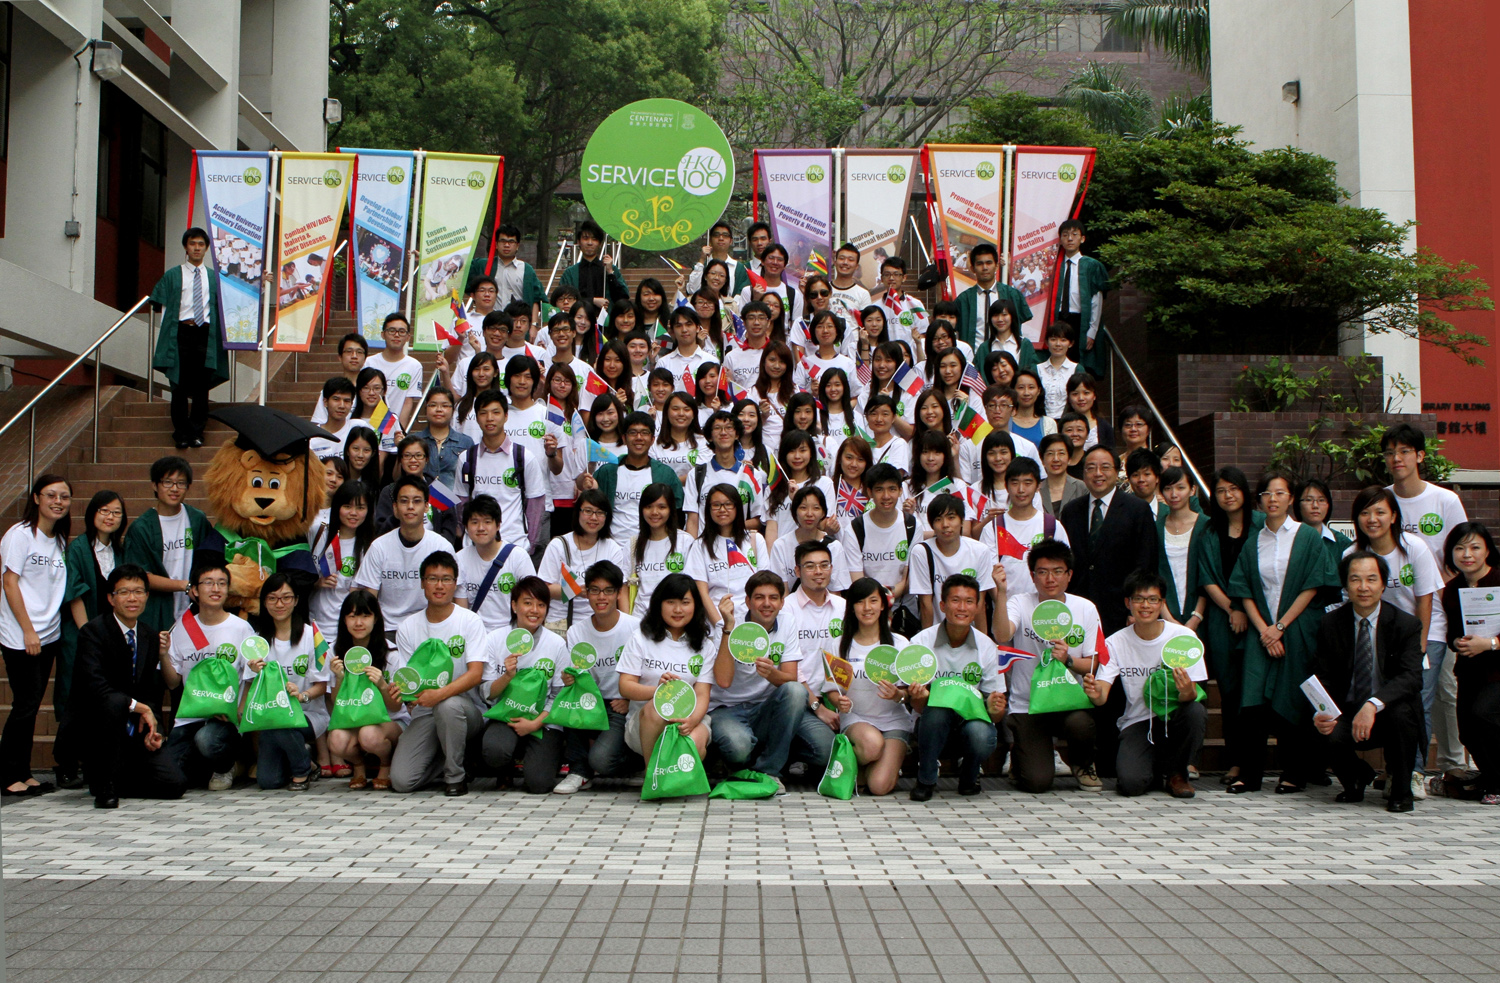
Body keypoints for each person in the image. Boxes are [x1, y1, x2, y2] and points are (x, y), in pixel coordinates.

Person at [1227, 469, 1339, 794]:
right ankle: (1250, 775)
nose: (1272, 499)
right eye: (1266, 494)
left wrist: (1281, 627)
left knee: (1293, 697)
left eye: (1279, 493)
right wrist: (1265, 630)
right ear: (1259, 501)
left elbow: (1313, 585)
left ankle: (1294, 773)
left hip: (1297, 629)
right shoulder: (1254, 541)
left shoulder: (1307, 537)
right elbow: (1244, 589)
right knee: (1252, 699)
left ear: (1291, 498)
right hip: (1260, 632)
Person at [1383, 423, 1469, 789]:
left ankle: (1435, 769)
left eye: (1404, 451)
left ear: (1419, 456)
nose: (1397, 459)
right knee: (1397, 694)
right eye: (1390, 452)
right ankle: (1399, 768)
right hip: (1389, 618)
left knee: (1435, 692)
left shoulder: (1444, 501)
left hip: (1435, 617)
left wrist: (1436, 587)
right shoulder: (1382, 500)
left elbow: (1461, 553)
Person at [1346, 484, 1444, 802]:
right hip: (1376, 640)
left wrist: (1419, 647)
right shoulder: (1353, 554)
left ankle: (1413, 774)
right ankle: (1395, 772)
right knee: (1389, 703)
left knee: (1417, 704)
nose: (1372, 519)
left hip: (1422, 634)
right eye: (1365, 512)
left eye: (1380, 512)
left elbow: (1425, 600)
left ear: (1393, 516)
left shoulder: (1414, 547)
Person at [1308, 550, 1425, 812]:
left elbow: (1411, 677)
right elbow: (1323, 675)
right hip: (1348, 708)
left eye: (1371, 579)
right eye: (1355, 579)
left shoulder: (1405, 624)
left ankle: (1401, 790)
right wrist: (1321, 711)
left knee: (1403, 714)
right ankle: (1356, 778)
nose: (1363, 587)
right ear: (1345, 585)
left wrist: (1373, 704)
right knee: (1323, 726)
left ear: (1383, 584)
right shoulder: (1330, 623)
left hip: (1387, 709)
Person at [1084, 570, 1207, 798]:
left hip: (1173, 717)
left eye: (1152, 599)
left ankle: (1177, 774)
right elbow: (1101, 695)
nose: (1145, 605)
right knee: (1131, 785)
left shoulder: (1184, 638)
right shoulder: (1115, 642)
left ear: (1162, 603)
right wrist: (1094, 691)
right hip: (1138, 721)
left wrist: (1186, 690)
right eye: (1139, 599)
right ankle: (1155, 769)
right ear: (1128, 603)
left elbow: (1192, 697)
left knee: (1195, 712)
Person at [72, 565, 187, 808]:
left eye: (138, 591)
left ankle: (115, 779)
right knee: (111, 707)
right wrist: (138, 707)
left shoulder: (148, 635)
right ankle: (105, 782)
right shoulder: (93, 633)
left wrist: (154, 729)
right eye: (124, 592)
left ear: (147, 596)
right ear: (110, 598)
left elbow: (151, 693)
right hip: (100, 727)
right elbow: (97, 690)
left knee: (174, 784)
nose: (132, 598)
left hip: (135, 729)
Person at [995, 539, 1102, 792]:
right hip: (1028, 704)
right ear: (1032, 576)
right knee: (1037, 782)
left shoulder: (1085, 608)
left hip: (1068, 701)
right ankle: (1020, 755)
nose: (1050, 579)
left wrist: (1068, 659)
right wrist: (1001, 593)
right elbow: (1002, 634)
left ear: (1069, 575)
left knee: (1081, 724)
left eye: (1057, 571)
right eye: (1042, 572)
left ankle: (1083, 764)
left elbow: (1093, 663)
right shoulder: (1020, 603)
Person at [388, 551, 490, 795]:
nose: (439, 585)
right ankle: (451, 758)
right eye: (432, 579)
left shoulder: (470, 621)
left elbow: (476, 674)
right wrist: (403, 694)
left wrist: (439, 694)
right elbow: (408, 680)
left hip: (466, 709)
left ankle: (455, 777)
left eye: (446, 579)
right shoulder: (408, 627)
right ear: (422, 583)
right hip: (425, 712)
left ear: (455, 583)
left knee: (448, 705)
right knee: (401, 781)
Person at [0, 475, 72, 797]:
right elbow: (9, 583)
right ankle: (7, 775)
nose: (58, 502)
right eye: (51, 495)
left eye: (64, 497)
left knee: (31, 704)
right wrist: (28, 630)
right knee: (25, 704)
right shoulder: (20, 535)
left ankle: (23, 772)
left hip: (49, 634)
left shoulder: (58, 540)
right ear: (36, 498)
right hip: (21, 635)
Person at [908, 574, 1008, 800]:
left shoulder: (987, 646)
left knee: (980, 733)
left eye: (969, 601)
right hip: (932, 724)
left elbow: (996, 715)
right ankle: (926, 780)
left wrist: (995, 708)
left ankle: (970, 777)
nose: (962, 608)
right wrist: (919, 696)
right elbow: (918, 707)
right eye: (955, 600)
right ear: (942, 605)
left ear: (978, 607)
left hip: (970, 723)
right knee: (937, 710)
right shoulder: (921, 643)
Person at [708, 571, 807, 795]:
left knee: (796, 692)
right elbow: (723, 680)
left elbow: (790, 678)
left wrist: (771, 674)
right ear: (748, 601)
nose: (766, 604)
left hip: (764, 707)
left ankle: (768, 770)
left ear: (782, 602)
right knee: (739, 748)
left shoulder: (787, 622)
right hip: (726, 708)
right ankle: (735, 765)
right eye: (759, 597)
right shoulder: (727, 624)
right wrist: (728, 627)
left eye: (773, 598)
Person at [161, 559, 254, 790]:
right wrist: (163, 655)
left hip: (226, 718)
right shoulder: (182, 628)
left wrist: (240, 709)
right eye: (209, 583)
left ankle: (227, 766)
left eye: (222, 583)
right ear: (194, 590)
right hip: (191, 716)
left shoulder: (241, 628)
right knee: (168, 777)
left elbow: (252, 676)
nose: (216, 589)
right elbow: (172, 683)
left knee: (207, 741)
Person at [58, 490, 128, 789]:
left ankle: (95, 764)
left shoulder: (120, 550)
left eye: (116, 512)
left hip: (112, 635)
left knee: (105, 696)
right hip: (82, 633)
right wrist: (89, 634)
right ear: (92, 514)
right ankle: (66, 763)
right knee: (75, 697)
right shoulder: (78, 549)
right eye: (104, 511)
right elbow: (74, 592)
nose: (110, 517)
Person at [1196, 466, 1261, 784]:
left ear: (1244, 491)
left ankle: (1252, 762)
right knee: (1230, 691)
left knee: (1254, 690)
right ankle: (1235, 761)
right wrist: (1232, 609)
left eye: (1233, 488)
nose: (1227, 495)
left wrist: (1246, 610)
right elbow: (1206, 576)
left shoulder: (1262, 525)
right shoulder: (1210, 531)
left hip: (1259, 619)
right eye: (1221, 491)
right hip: (1222, 620)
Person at [617, 573, 719, 765]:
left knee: (694, 742)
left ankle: (677, 778)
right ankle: (652, 774)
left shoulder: (705, 645)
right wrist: (660, 692)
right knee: (656, 708)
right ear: (659, 604)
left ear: (696, 605)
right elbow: (625, 686)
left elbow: (702, 694)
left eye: (685, 602)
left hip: (688, 719)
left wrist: (693, 720)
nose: (678, 609)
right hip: (645, 723)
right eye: (670, 602)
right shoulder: (640, 638)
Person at [478, 575, 568, 793]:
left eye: (541, 605)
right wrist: (507, 676)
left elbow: (559, 695)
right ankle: (506, 767)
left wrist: (535, 723)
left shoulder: (556, 643)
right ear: (514, 606)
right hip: (505, 716)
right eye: (527, 603)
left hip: (543, 722)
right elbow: (486, 693)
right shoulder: (494, 639)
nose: (534, 610)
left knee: (539, 784)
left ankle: (545, 757)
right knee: (494, 752)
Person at [557, 560, 641, 792]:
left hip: (621, 704)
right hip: (592, 701)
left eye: (608, 590)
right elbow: (578, 676)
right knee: (570, 697)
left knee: (602, 760)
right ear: (586, 593)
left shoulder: (635, 628)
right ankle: (578, 771)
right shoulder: (576, 631)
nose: (601, 597)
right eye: (594, 590)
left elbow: (647, 673)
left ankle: (639, 762)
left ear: (618, 593)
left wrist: (630, 700)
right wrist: (569, 680)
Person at [830, 577, 913, 796]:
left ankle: (868, 770)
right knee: (872, 745)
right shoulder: (840, 644)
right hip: (857, 718)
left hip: (894, 720)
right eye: (860, 602)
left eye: (873, 601)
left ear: (883, 605)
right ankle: (861, 761)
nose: (867, 608)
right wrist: (838, 701)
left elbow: (908, 694)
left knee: (878, 787)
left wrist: (897, 694)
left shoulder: (900, 643)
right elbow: (831, 690)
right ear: (851, 607)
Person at [246, 574, 330, 790]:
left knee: (284, 725)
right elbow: (251, 687)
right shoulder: (257, 641)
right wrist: (256, 674)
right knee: (268, 781)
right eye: (272, 598)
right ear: (264, 602)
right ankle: (307, 760)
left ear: (296, 600)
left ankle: (302, 771)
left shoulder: (313, 637)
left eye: (286, 597)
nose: (279, 604)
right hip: (272, 716)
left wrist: (302, 696)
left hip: (308, 714)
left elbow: (321, 686)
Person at [150, 227, 231, 449]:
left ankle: (197, 432)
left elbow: (238, 295)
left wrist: (263, 281)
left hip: (205, 333)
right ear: (186, 247)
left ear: (206, 248)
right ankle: (181, 433)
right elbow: (160, 304)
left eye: (201, 244)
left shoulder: (215, 277)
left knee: (201, 385)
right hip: (180, 332)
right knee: (178, 384)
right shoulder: (173, 275)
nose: (197, 248)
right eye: (192, 243)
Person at [121, 456, 216, 640]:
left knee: (195, 651)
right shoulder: (142, 528)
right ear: (155, 485)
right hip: (156, 610)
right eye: (167, 482)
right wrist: (183, 585)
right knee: (159, 652)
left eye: (181, 483)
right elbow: (139, 576)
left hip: (192, 609)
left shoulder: (196, 520)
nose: (174, 488)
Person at [1441, 522, 1500, 804]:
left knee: (1484, 714)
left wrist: (1490, 643)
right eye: (1460, 548)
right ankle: (1490, 776)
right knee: (1466, 729)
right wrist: (1458, 642)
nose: (1467, 554)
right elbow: (1451, 633)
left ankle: (1497, 782)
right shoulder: (1452, 589)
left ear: (1487, 550)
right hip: (1469, 670)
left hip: (1497, 669)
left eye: (1475, 547)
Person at [353, 475, 457, 630]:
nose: (410, 506)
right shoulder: (379, 547)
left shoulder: (442, 547)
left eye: (417, 501)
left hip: (429, 628)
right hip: (387, 629)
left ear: (426, 507)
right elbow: (370, 597)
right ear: (395, 508)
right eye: (404, 501)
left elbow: (452, 595)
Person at [454, 389, 550, 557]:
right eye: (483, 413)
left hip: (515, 547)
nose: (489, 418)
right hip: (475, 548)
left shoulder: (524, 457)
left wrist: (530, 545)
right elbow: (461, 504)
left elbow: (535, 506)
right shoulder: (466, 459)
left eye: (496, 412)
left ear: (506, 416)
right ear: (476, 418)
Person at [326, 590, 405, 790]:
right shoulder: (335, 651)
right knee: (336, 739)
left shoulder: (390, 653)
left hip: (389, 721)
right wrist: (339, 678)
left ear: (376, 618)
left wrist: (382, 685)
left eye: (365, 616)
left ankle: (385, 765)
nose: (359, 623)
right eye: (352, 616)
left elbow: (396, 707)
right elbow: (336, 702)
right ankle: (358, 766)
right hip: (352, 718)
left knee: (368, 734)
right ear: (344, 620)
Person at [586, 412, 684, 543]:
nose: (639, 437)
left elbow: (678, 513)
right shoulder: (607, 472)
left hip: (650, 545)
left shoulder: (665, 474)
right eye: (633, 432)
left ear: (652, 439)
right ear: (624, 438)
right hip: (612, 546)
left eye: (644, 433)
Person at [910, 495, 996, 632]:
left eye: (951, 517)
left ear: (962, 521)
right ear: (932, 525)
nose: (945, 524)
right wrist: (929, 640)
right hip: (938, 630)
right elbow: (925, 604)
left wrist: (982, 639)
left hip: (970, 631)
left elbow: (980, 604)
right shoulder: (921, 552)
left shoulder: (980, 551)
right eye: (938, 519)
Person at [454, 495, 536, 633]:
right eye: (474, 522)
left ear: (498, 525)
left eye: (487, 522)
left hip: (511, 633)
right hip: (475, 633)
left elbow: (532, 599)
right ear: (466, 527)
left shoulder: (518, 556)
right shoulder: (459, 559)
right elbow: (462, 611)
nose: (481, 528)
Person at [1053, 220, 1111, 377]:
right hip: (1058, 319)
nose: (1070, 238)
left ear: (1082, 238)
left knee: (1080, 365)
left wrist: (1092, 331)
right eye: (1065, 235)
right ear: (1060, 240)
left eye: (1074, 234)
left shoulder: (1092, 266)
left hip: (1080, 321)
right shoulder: (1054, 266)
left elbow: (1096, 301)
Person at [953, 243, 1031, 352]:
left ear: (997, 266)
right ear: (973, 268)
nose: (985, 268)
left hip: (1006, 357)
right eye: (980, 264)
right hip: (974, 357)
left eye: (989, 263)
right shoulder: (963, 300)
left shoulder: (1012, 295)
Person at [1157, 466, 1209, 630]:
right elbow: (1153, 573)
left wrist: (1196, 617)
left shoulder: (1206, 525)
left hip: (1202, 616)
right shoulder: (1156, 527)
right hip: (1165, 616)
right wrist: (1167, 617)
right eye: (1168, 488)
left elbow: (1208, 575)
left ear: (1192, 490)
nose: (1174, 494)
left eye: (1180, 488)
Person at [408, 386, 473, 488]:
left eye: (445, 406)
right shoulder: (413, 440)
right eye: (433, 405)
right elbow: (399, 476)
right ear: (426, 409)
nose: (439, 410)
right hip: (420, 496)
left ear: (453, 410)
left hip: (454, 497)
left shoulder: (465, 442)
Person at [370, 314, 425, 430]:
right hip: (369, 427)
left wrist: (400, 431)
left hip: (395, 429)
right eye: (392, 330)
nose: (396, 335)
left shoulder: (414, 366)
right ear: (383, 334)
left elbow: (408, 402)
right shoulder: (369, 363)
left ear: (408, 337)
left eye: (401, 331)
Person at [560, 219, 629, 310]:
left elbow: (623, 298)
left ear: (600, 243)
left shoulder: (610, 269)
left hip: (607, 318)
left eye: (594, 239)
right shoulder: (570, 273)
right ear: (579, 241)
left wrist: (610, 273)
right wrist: (592, 301)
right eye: (585, 238)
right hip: (579, 318)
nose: (590, 243)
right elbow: (563, 300)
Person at [490, 223, 545, 323]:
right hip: (493, 322)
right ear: (496, 244)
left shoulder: (526, 269)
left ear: (517, 246)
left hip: (519, 324)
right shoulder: (487, 266)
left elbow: (536, 298)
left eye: (511, 241)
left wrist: (533, 324)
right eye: (503, 241)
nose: (507, 245)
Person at [311, 333, 370, 424]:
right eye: (349, 351)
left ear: (365, 358)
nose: (354, 356)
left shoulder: (373, 390)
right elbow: (319, 422)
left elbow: (386, 425)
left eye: (359, 352)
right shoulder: (330, 389)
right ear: (340, 357)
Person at [1038, 433, 1085, 519]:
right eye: (1050, 453)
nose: (1056, 459)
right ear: (1042, 460)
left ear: (1069, 459)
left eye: (1061, 453)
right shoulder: (1036, 490)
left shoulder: (1082, 488)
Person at [1036, 322, 1078, 419]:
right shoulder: (1038, 369)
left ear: (1071, 343)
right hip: (1042, 420)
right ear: (1047, 342)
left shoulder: (1076, 369)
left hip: (1068, 422)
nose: (1058, 344)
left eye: (1063, 340)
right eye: (1053, 339)